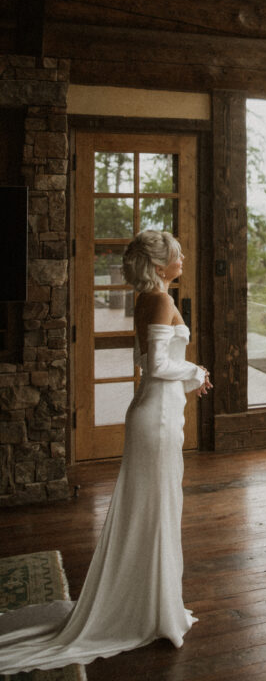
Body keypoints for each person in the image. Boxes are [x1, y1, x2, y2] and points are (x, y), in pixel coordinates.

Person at [0, 229, 212, 671]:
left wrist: (190, 376)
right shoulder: (158, 300)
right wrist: (197, 367)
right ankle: (147, 611)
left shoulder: (152, 300)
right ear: (159, 265)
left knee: (159, 510)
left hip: (161, 414)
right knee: (154, 511)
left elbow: (150, 363)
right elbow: (154, 366)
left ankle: (154, 605)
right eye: (177, 253)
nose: (183, 256)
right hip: (154, 418)